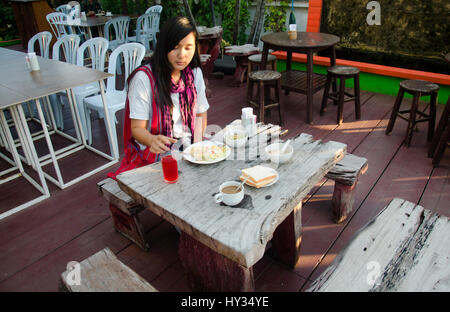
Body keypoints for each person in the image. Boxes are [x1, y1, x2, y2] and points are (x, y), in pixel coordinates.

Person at [108, 16, 209, 179]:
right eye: (175, 47)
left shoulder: (194, 74)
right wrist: (152, 140)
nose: (182, 55)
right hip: (154, 153)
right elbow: (137, 129)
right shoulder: (144, 78)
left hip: (187, 147)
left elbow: (200, 114)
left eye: (188, 47)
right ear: (164, 46)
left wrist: (196, 148)